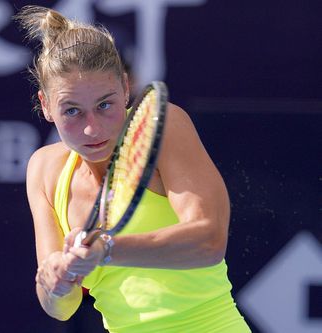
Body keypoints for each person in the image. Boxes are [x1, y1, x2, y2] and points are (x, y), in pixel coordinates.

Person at [15, 5, 251, 333]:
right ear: (45, 105)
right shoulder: (44, 168)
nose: (92, 129)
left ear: (126, 88)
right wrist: (57, 281)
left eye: (104, 105)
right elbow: (60, 308)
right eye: (72, 111)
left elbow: (208, 240)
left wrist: (106, 250)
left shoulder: (160, 126)